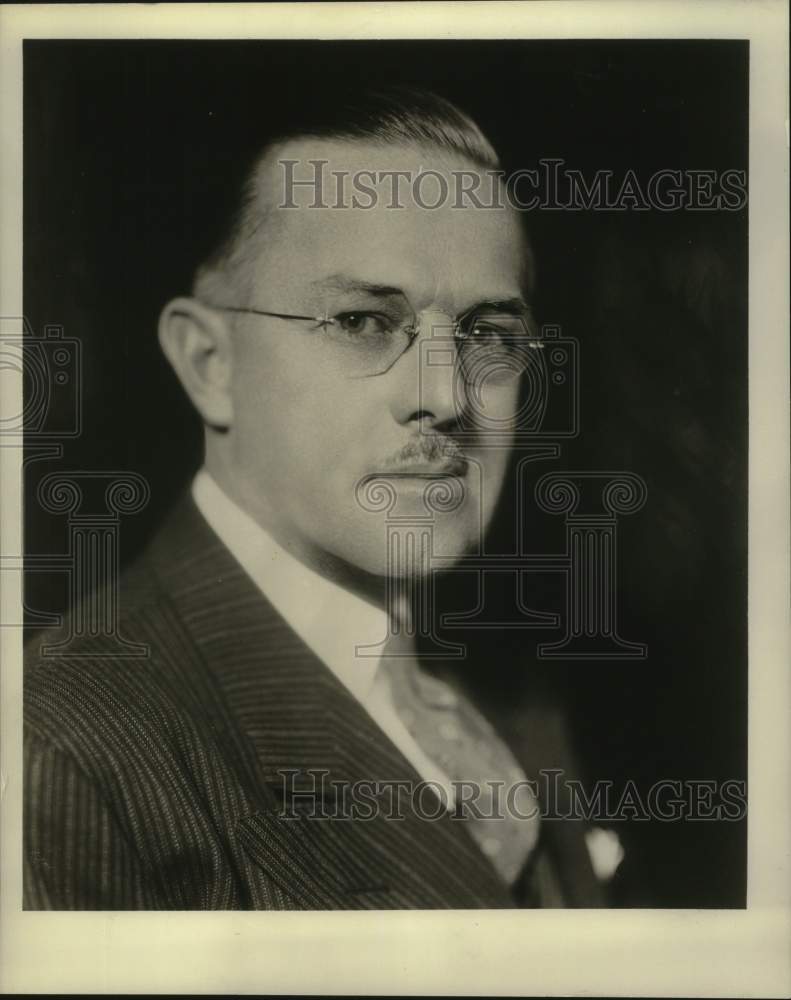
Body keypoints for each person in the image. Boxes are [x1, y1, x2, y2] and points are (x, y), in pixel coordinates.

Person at [24, 86, 613, 909]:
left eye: (487, 335)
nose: (446, 393)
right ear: (209, 364)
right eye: (364, 323)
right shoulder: (62, 750)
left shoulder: (506, 683)